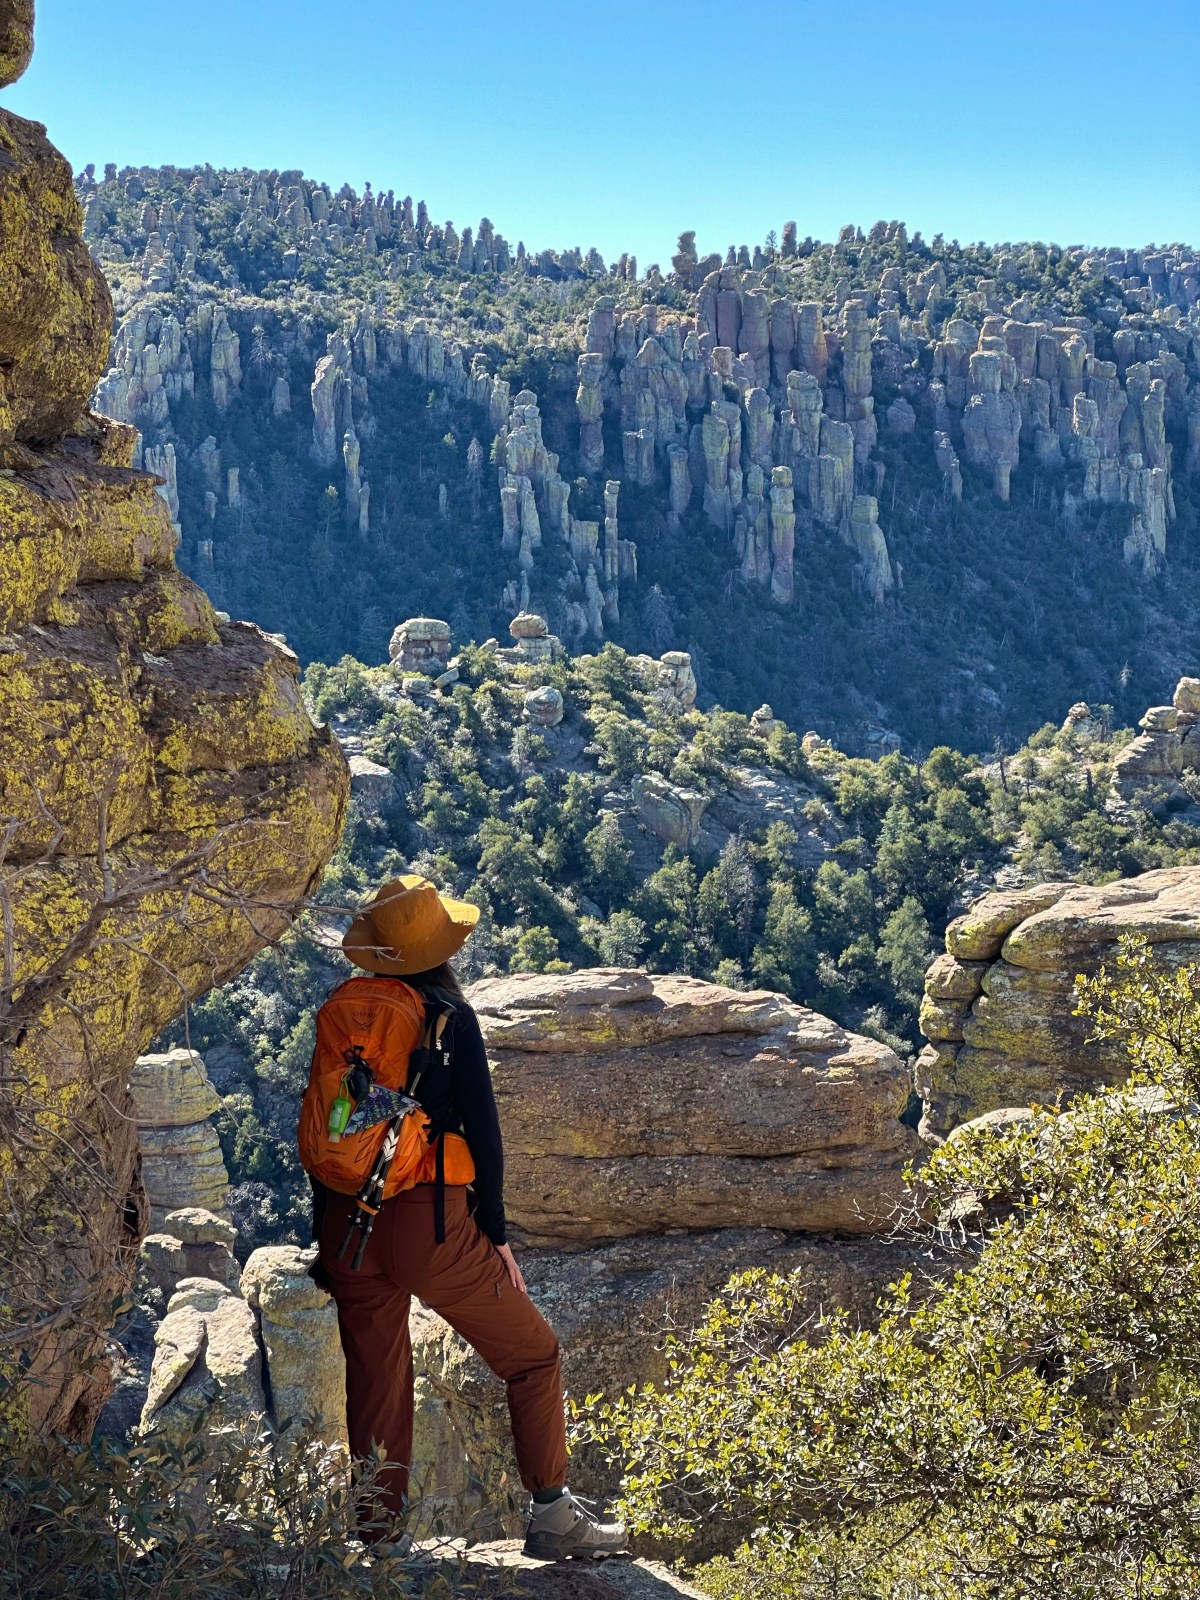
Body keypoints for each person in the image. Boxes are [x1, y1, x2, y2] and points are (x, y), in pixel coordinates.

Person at [312, 874, 628, 1562]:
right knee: (533, 1355)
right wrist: (497, 1237)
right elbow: (484, 1137)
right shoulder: (450, 1018)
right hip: (427, 1224)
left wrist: (325, 1240)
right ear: (439, 949)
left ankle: (378, 1540)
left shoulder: (344, 1012)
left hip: (346, 1225)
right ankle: (553, 1515)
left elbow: (325, 1129)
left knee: (377, 1379)